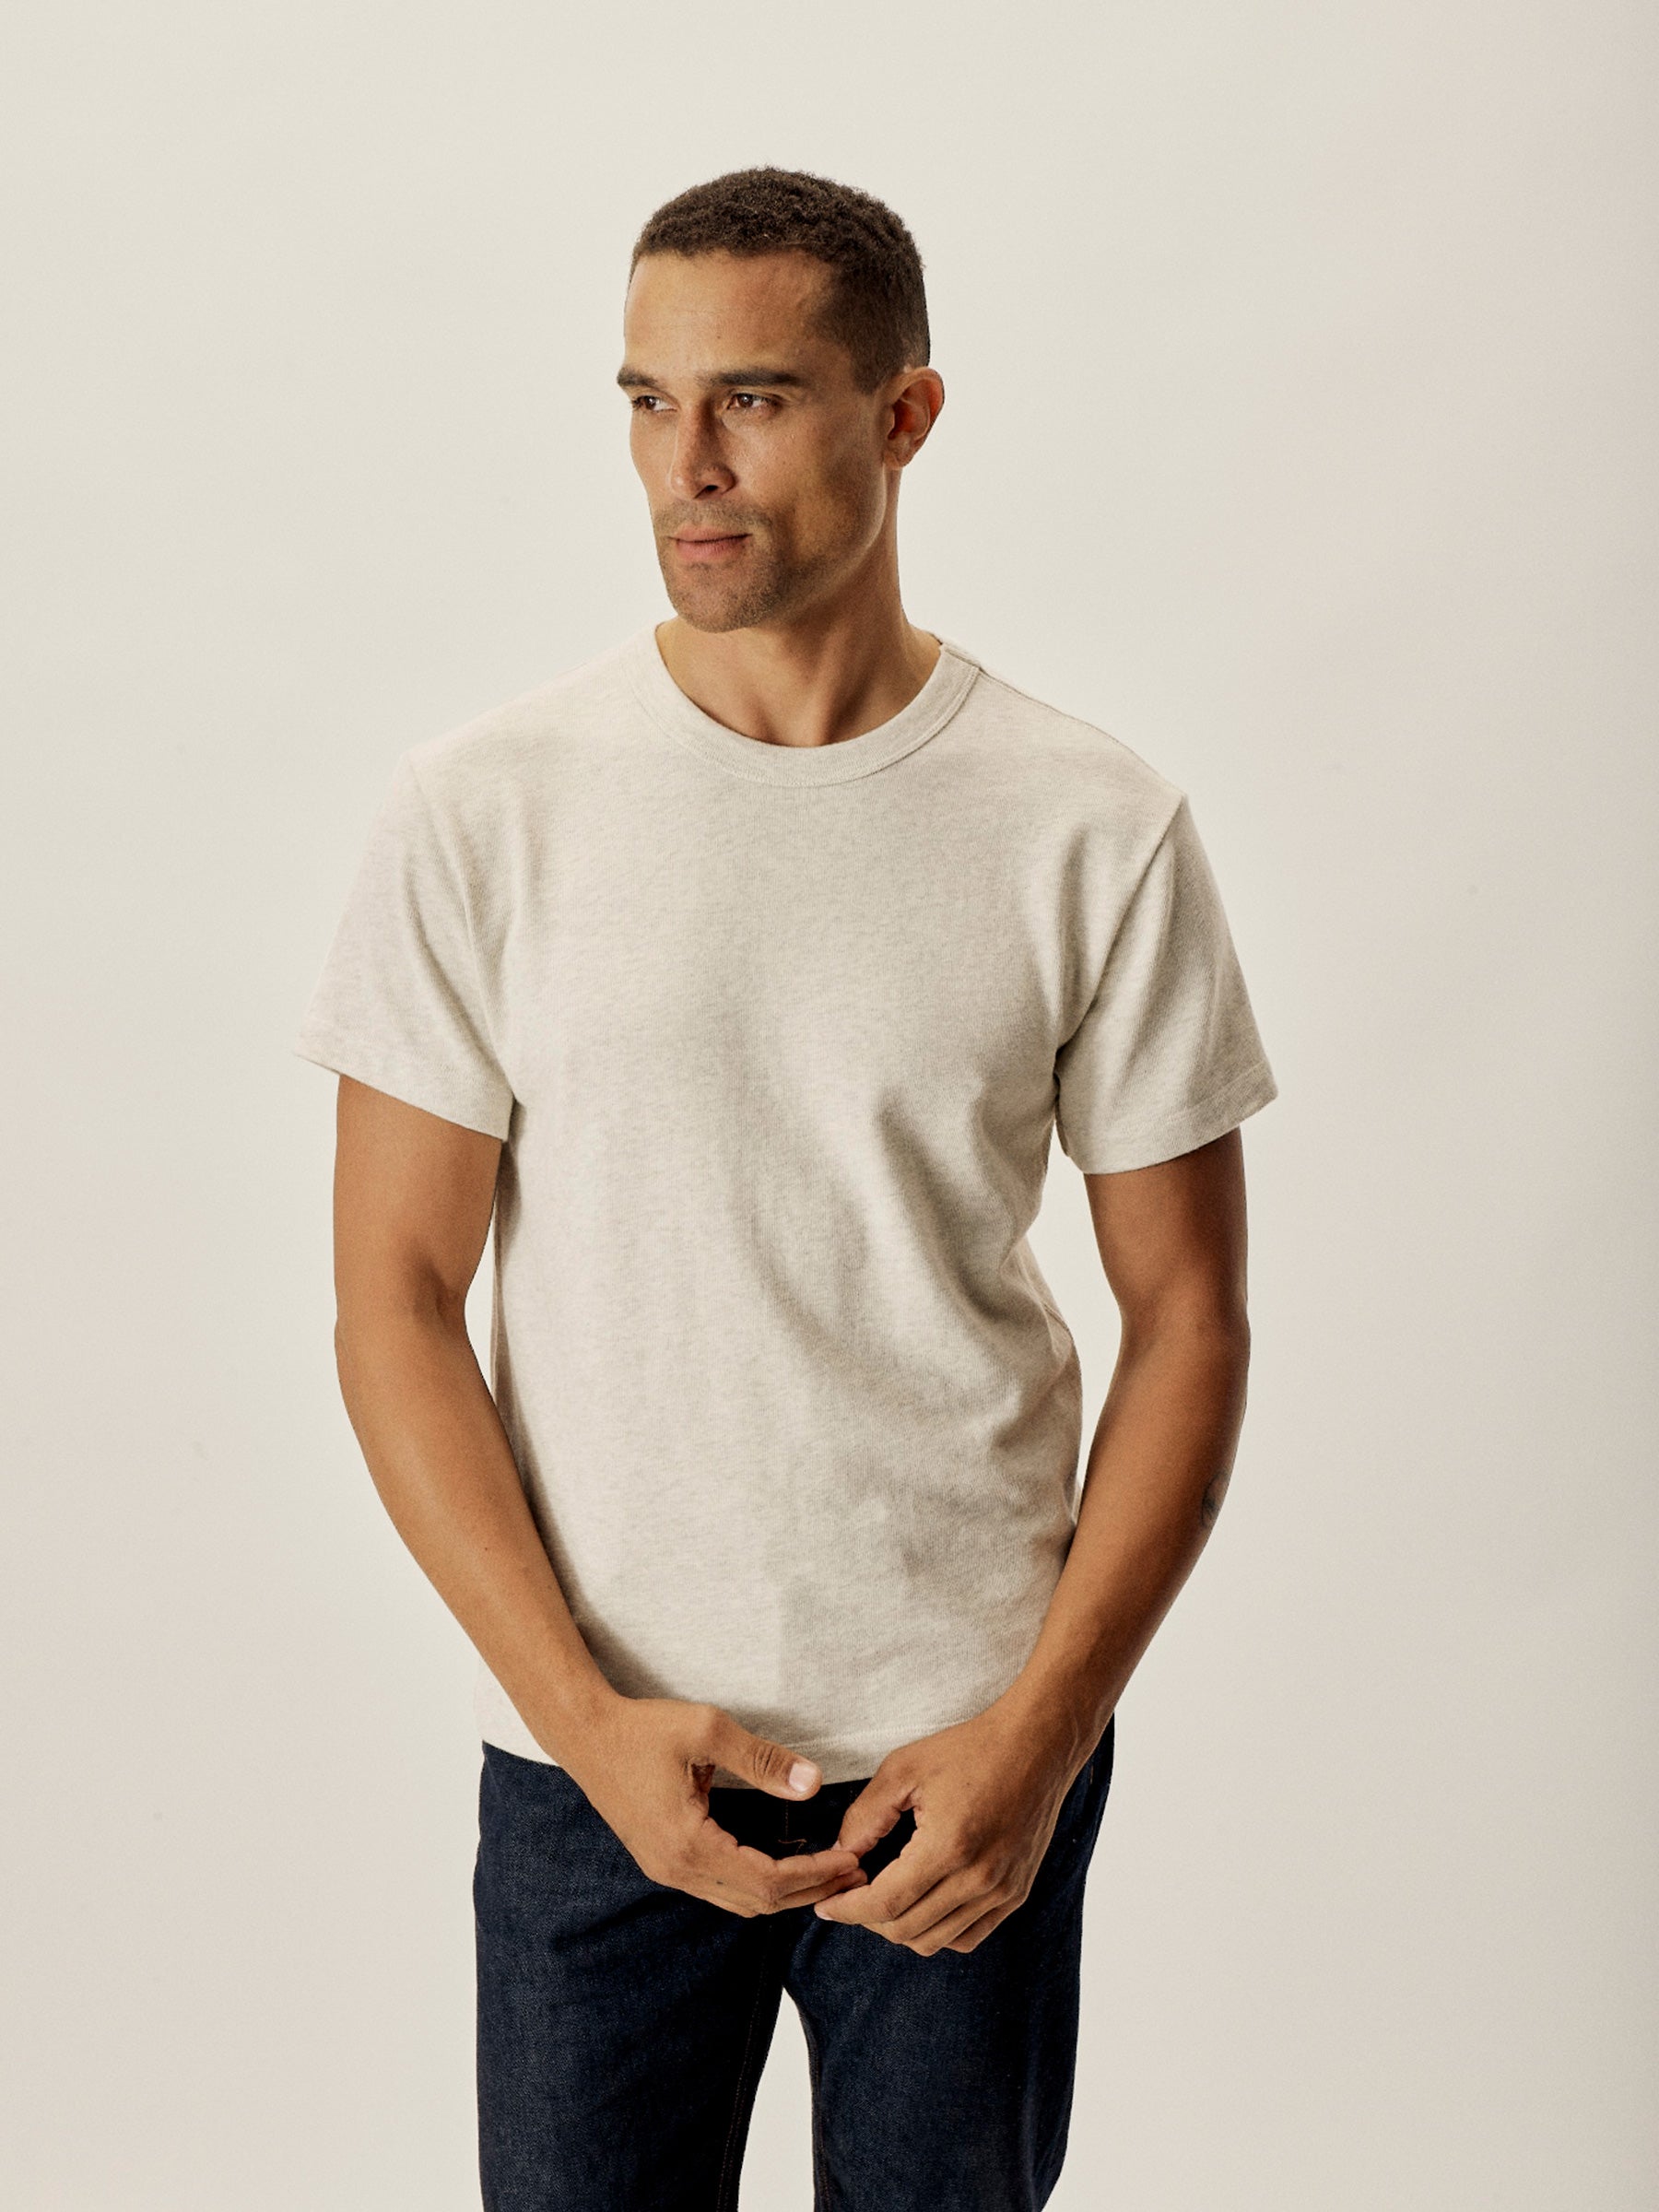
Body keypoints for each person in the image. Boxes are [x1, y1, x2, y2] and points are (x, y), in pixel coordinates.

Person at [295, 165, 1277, 2212]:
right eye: (646, 402)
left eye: (750, 397)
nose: (688, 464)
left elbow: (1190, 1316)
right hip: (595, 1762)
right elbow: (393, 1295)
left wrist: (1040, 1737)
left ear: (905, 417)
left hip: (966, 1757)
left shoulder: (1088, 823)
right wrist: (582, 1723)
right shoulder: (487, 811)